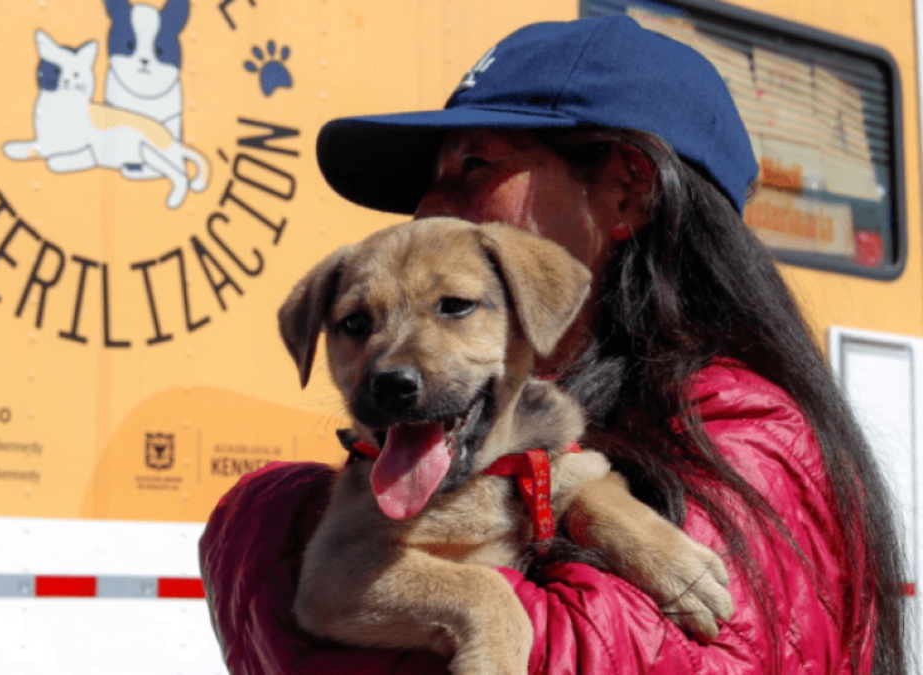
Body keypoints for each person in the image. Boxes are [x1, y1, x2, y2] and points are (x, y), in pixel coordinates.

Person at [199, 15, 907, 675]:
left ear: (628, 192)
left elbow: (617, 651)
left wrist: (269, 519)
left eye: (473, 165)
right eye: (430, 179)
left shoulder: (746, 426)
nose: (425, 211)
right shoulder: (536, 410)